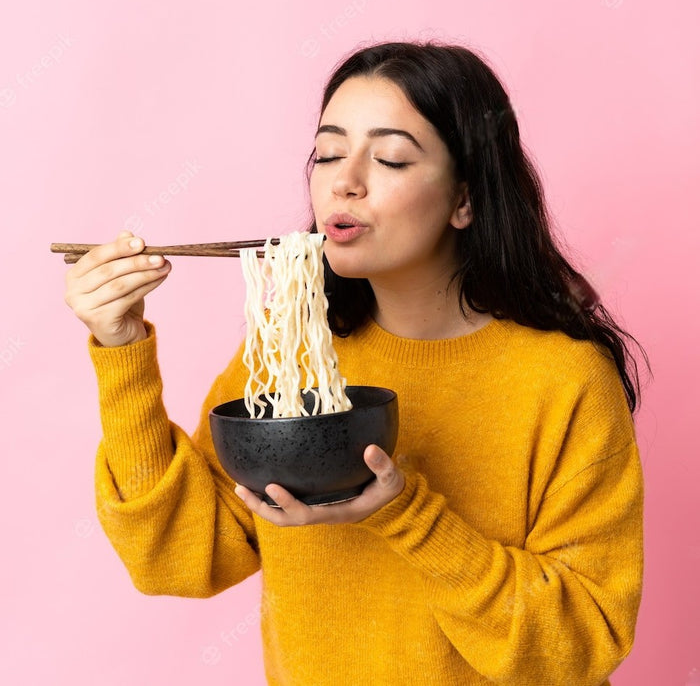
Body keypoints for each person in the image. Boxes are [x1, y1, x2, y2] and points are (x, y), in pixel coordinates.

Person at [64, 41, 646, 685]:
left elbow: (580, 645)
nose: (344, 181)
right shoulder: (293, 353)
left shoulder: (563, 378)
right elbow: (175, 556)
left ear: (465, 199)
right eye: (330, 153)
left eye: (391, 157)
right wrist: (122, 350)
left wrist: (404, 514)